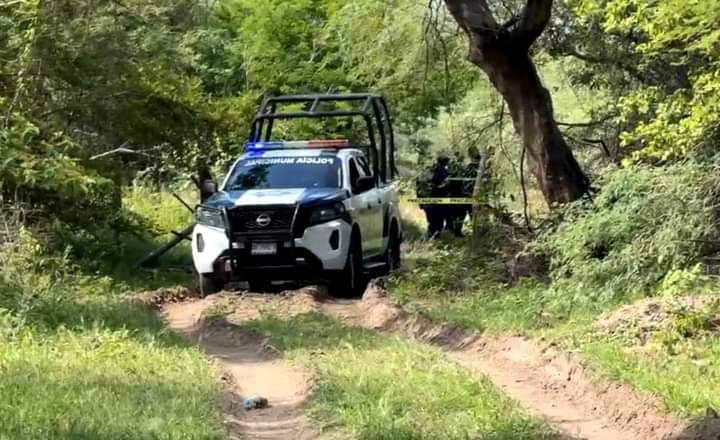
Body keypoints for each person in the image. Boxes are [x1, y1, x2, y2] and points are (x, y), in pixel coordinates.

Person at [418, 155, 450, 238]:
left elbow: (419, 188)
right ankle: (435, 235)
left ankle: (432, 235)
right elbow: (445, 186)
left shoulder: (424, 172)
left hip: (428, 200)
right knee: (437, 220)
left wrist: (420, 202)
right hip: (437, 200)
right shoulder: (443, 171)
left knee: (431, 219)